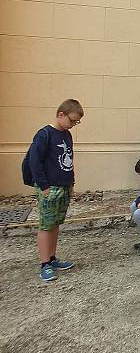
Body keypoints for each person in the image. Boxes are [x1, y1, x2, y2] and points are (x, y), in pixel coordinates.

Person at [24, 99, 84, 281]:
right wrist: (44, 187)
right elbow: (35, 162)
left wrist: (71, 183)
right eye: (72, 120)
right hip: (49, 188)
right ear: (61, 114)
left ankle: (52, 257)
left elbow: (69, 159)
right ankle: (44, 264)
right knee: (46, 225)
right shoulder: (44, 135)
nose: (73, 125)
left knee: (56, 223)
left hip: (64, 186)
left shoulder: (66, 135)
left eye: (76, 122)